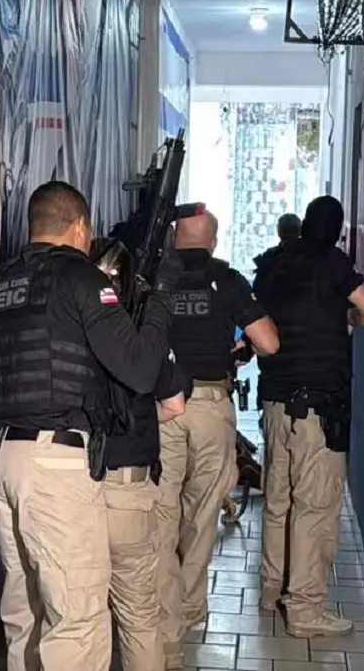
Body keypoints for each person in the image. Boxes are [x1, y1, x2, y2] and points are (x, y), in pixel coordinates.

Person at [0, 181, 178, 671]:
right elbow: (140, 371)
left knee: (25, 614)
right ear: (79, 227)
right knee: (76, 620)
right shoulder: (79, 277)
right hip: (54, 463)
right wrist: (159, 299)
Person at [252, 195, 364, 638]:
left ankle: (272, 589)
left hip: (275, 405)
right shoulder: (333, 263)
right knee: (314, 509)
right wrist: (346, 318)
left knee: (278, 502)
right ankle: (306, 609)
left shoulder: (273, 264)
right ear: (337, 230)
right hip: (316, 412)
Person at [156, 206, 281, 668]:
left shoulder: (154, 280)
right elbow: (269, 342)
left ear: (174, 238)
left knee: (161, 512)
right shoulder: (226, 280)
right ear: (212, 240)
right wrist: (241, 346)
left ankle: (164, 619)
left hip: (160, 407)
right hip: (210, 405)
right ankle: (190, 606)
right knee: (203, 508)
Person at [89, 238, 188, 671]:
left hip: (74, 485)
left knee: (79, 615)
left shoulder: (73, 330)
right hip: (128, 487)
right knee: (138, 614)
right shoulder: (143, 340)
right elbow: (175, 405)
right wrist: (138, 420)